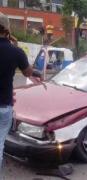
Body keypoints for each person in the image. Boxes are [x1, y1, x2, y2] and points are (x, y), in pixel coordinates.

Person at [0, 12, 33, 173]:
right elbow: (28, 73)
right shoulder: (15, 51)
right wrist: (16, 46)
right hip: (4, 106)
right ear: (7, 29)